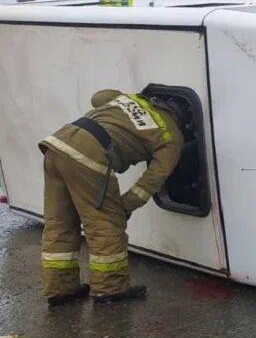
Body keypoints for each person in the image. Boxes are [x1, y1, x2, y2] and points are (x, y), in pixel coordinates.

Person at [39, 90, 186, 305]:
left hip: (57, 144)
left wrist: (124, 98)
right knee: (105, 224)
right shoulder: (173, 137)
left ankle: (61, 289)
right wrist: (124, 206)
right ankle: (110, 289)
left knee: (59, 223)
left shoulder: (134, 100)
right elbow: (153, 179)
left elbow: (98, 97)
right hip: (89, 154)